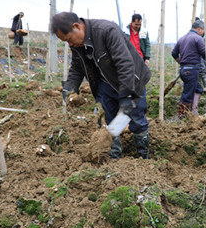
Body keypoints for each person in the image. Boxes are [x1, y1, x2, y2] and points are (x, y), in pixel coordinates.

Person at [52, 12, 151, 159]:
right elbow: (77, 66)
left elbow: (125, 63)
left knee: (136, 118)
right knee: (107, 120)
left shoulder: (107, 31)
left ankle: (143, 159)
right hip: (105, 83)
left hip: (131, 80)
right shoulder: (78, 44)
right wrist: (70, 87)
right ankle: (113, 158)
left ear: (76, 26)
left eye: (69, 39)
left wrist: (127, 95)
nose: (70, 44)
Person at [171, 20, 205, 119]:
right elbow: (205, 53)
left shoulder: (182, 38)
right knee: (187, 94)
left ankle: (194, 112)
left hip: (183, 70)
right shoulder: (197, 38)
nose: (203, 33)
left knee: (198, 89)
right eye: (203, 31)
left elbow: (174, 53)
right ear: (199, 29)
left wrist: (181, 62)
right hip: (192, 70)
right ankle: (181, 117)